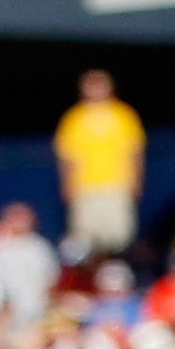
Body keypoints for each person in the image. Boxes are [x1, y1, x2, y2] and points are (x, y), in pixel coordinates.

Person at [55, 72, 146, 263]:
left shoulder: (124, 115)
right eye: (91, 84)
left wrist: (136, 182)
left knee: (118, 237)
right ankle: (94, 277)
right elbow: (66, 157)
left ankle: (114, 273)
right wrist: (67, 186)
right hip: (85, 187)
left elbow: (135, 152)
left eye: (100, 84)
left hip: (117, 185)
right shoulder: (74, 118)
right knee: (85, 239)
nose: (96, 89)